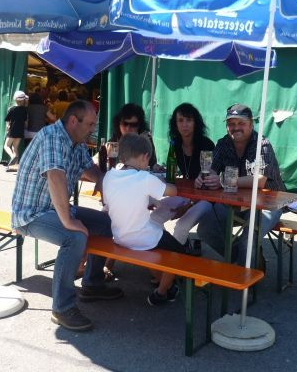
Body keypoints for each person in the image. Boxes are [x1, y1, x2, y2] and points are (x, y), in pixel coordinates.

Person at [11, 100, 123, 332]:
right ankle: (62, 308)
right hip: (30, 215)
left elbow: (89, 168)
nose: (93, 129)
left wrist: (104, 182)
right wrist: (68, 221)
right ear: (73, 121)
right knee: (74, 237)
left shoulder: (76, 141)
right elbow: (55, 176)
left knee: (106, 223)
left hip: (54, 209)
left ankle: (92, 283)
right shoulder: (52, 136)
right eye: (90, 124)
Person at [195, 104, 286, 267]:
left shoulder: (262, 144)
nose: (236, 127)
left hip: (267, 205)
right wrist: (204, 178)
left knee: (249, 237)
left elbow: (260, 180)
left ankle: (245, 270)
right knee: (206, 229)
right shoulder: (223, 143)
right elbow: (212, 169)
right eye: (231, 123)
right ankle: (243, 261)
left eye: (241, 123)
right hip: (235, 203)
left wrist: (224, 181)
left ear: (251, 125)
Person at [103, 133, 186, 305]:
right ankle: (161, 293)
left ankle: (169, 287)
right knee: (179, 253)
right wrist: (163, 181)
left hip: (119, 236)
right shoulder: (145, 178)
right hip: (143, 238)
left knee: (154, 244)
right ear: (144, 157)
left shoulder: (109, 176)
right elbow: (173, 191)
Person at [150, 103, 215, 252]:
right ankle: (176, 249)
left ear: (195, 122)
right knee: (154, 218)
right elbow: (173, 173)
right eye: (180, 120)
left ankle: (173, 262)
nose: (184, 125)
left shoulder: (206, 144)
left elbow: (208, 181)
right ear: (175, 124)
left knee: (181, 226)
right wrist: (163, 171)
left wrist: (188, 206)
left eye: (189, 120)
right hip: (185, 194)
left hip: (206, 198)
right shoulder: (175, 143)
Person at [110, 103, 159, 170]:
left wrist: (155, 167)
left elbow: (152, 163)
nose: (128, 128)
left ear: (139, 126)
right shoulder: (115, 139)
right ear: (118, 123)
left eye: (133, 125)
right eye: (125, 124)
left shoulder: (145, 139)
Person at [4, 90, 28, 170]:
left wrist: (7, 127)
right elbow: (25, 121)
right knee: (15, 147)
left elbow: (7, 120)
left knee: (6, 146)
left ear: (15, 99)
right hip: (20, 131)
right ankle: (15, 166)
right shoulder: (25, 110)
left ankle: (12, 156)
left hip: (12, 130)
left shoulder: (11, 109)